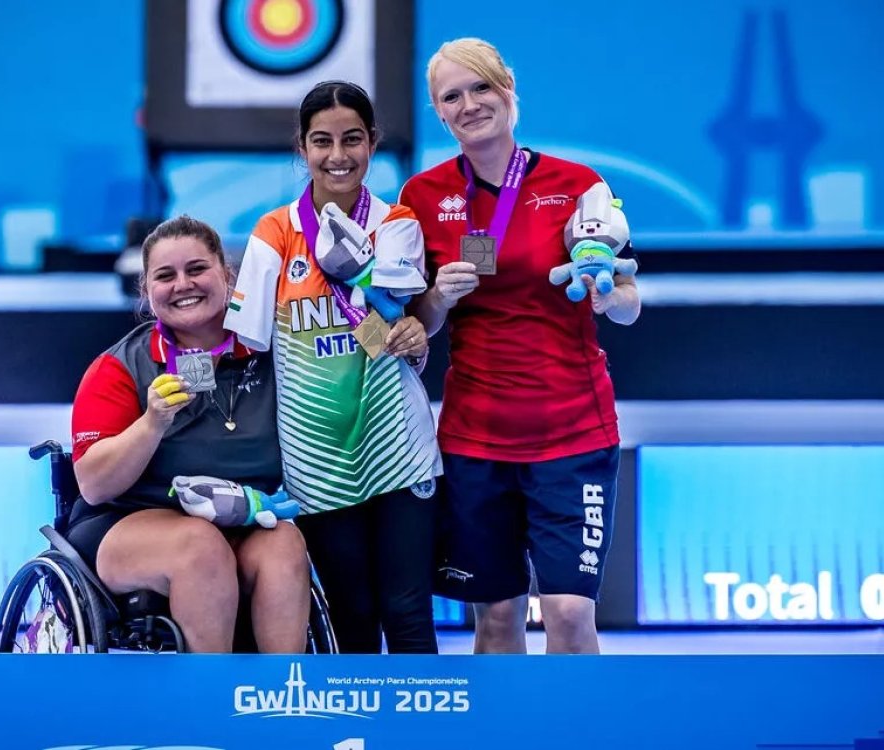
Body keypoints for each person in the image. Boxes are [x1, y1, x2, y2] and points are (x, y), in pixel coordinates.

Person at [401, 38, 641, 654]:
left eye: (481, 87)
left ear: (509, 91)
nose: (470, 104)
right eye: (451, 96)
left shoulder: (576, 183)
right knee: (498, 618)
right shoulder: (421, 198)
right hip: (477, 438)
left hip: (573, 432)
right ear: (438, 112)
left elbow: (629, 301)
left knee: (567, 615)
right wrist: (438, 299)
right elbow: (414, 329)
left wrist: (608, 295)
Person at [224, 81, 442, 654]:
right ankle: (362, 738)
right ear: (302, 148)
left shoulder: (397, 223)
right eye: (322, 141)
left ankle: (428, 740)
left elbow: (402, 317)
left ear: (372, 143)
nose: (337, 155)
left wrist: (412, 331)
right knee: (353, 611)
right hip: (315, 459)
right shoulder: (274, 233)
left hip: (397, 446)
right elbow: (245, 341)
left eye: (352, 139)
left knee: (408, 610)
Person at [67, 215, 311, 654]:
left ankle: (282, 699)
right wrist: (152, 423)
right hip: (126, 521)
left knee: (284, 544)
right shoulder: (119, 368)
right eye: (165, 275)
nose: (183, 284)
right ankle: (208, 707)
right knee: (200, 547)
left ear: (227, 275)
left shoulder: (274, 351)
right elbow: (94, 485)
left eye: (197, 269)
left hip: (243, 516)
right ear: (147, 290)